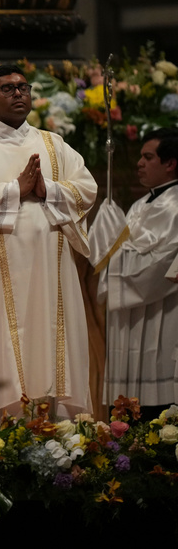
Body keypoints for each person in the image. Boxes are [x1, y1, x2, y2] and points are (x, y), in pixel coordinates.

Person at [0, 64, 98, 418]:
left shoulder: (53, 144)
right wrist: (14, 190)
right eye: (8, 89)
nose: (19, 93)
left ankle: (57, 421)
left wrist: (47, 189)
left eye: (24, 87)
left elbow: (87, 188)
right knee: (2, 337)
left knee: (50, 336)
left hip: (50, 265)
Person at [89, 129, 178, 415]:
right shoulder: (141, 204)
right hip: (131, 319)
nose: (139, 163)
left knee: (159, 409)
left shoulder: (175, 206)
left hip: (162, 313)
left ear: (170, 163)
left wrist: (112, 252)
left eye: (147, 157)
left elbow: (160, 265)